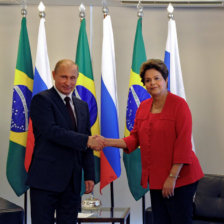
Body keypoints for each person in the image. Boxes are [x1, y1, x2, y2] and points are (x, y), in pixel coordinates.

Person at [98, 59, 204, 224]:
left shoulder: (179, 105)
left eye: (156, 78)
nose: (152, 83)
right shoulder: (144, 106)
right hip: (156, 178)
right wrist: (106, 141)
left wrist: (172, 177)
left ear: (165, 80)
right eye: (148, 80)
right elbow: (134, 139)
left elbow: (183, 144)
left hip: (181, 177)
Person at [26, 59, 103, 224]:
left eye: (72, 78)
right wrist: (86, 140)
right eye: (63, 77)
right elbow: (52, 132)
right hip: (45, 181)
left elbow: (87, 145)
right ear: (54, 75)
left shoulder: (82, 106)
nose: (68, 82)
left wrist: (89, 175)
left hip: (72, 182)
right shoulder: (42, 100)